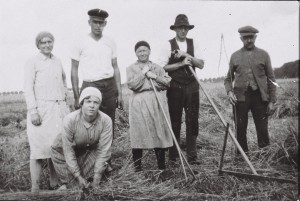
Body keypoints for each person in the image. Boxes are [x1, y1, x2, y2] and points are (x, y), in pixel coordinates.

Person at [24, 31, 69, 192]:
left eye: (50, 41)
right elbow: (28, 88)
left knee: (54, 147)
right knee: (38, 149)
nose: (47, 45)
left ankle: (54, 183)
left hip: (58, 110)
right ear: (38, 45)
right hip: (41, 111)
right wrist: (33, 111)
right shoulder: (32, 62)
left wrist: (65, 97)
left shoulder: (57, 61)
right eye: (43, 42)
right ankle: (34, 186)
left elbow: (64, 79)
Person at [158, 14, 204, 165]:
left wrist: (185, 54)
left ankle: (192, 155)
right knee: (175, 120)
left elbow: (201, 64)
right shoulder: (167, 45)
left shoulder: (194, 43)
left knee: (192, 120)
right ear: (175, 29)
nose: (183, 31)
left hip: (192, 86)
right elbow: (162, 67)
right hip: (175, 87)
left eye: (186, 28)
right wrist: (181, 64)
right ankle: (174, 155)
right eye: (180, 28)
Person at [224, 26, 277, 155]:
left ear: (255, 37)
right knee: (240, 128)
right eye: (245, 38)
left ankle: (265, 156)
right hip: (241, 98)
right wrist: (230, 92)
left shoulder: (264, 54)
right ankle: (242, 157)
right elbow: (227, 80)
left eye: (251, 37)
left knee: (262, 129)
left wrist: (272, 101)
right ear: (241, 38)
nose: (249, 40)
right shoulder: (234, 56)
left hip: (260, 97)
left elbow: (271, 79)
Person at [71, 8, 123, 137]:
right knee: (89, 122)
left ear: (105, 24)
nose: (98, 26)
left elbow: (115, 67)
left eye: (101, 23)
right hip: (90, 85)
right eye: (95, 22)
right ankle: (90, 155)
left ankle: (106, 155)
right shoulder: (80, 42)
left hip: (110, 86)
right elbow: (74, 69)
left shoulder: (110, 41)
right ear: (89, 22)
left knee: (108, 122)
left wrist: (120, 93)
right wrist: (77, 96)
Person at [51, 87, 113, 189]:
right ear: (82, 103)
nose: (92, 106)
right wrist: (78, 177)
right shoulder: (70, 120)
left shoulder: (106, 120)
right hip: (63, 153)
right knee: (74, 184)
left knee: (100, 162)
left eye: (96, 102)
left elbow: (104, 150)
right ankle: (71, 182)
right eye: (88, 101)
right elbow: (68, 151)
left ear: (99, 105)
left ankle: (85, 180)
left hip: (87, 151)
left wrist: (96, 179)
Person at [126, 41, 173, 172]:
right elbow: (133, 85)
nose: (142, 53)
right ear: (135, 53)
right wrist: (143, 74)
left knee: (158, 132)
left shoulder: (157, 67)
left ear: (149, 51)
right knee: (138, 133)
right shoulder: (131, 68)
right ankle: (138, 168)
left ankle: (161, 167)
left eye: (145, 50)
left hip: (156, 102)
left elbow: (166, 83)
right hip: (138, 104)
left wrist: (154, 76)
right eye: (139, 51)